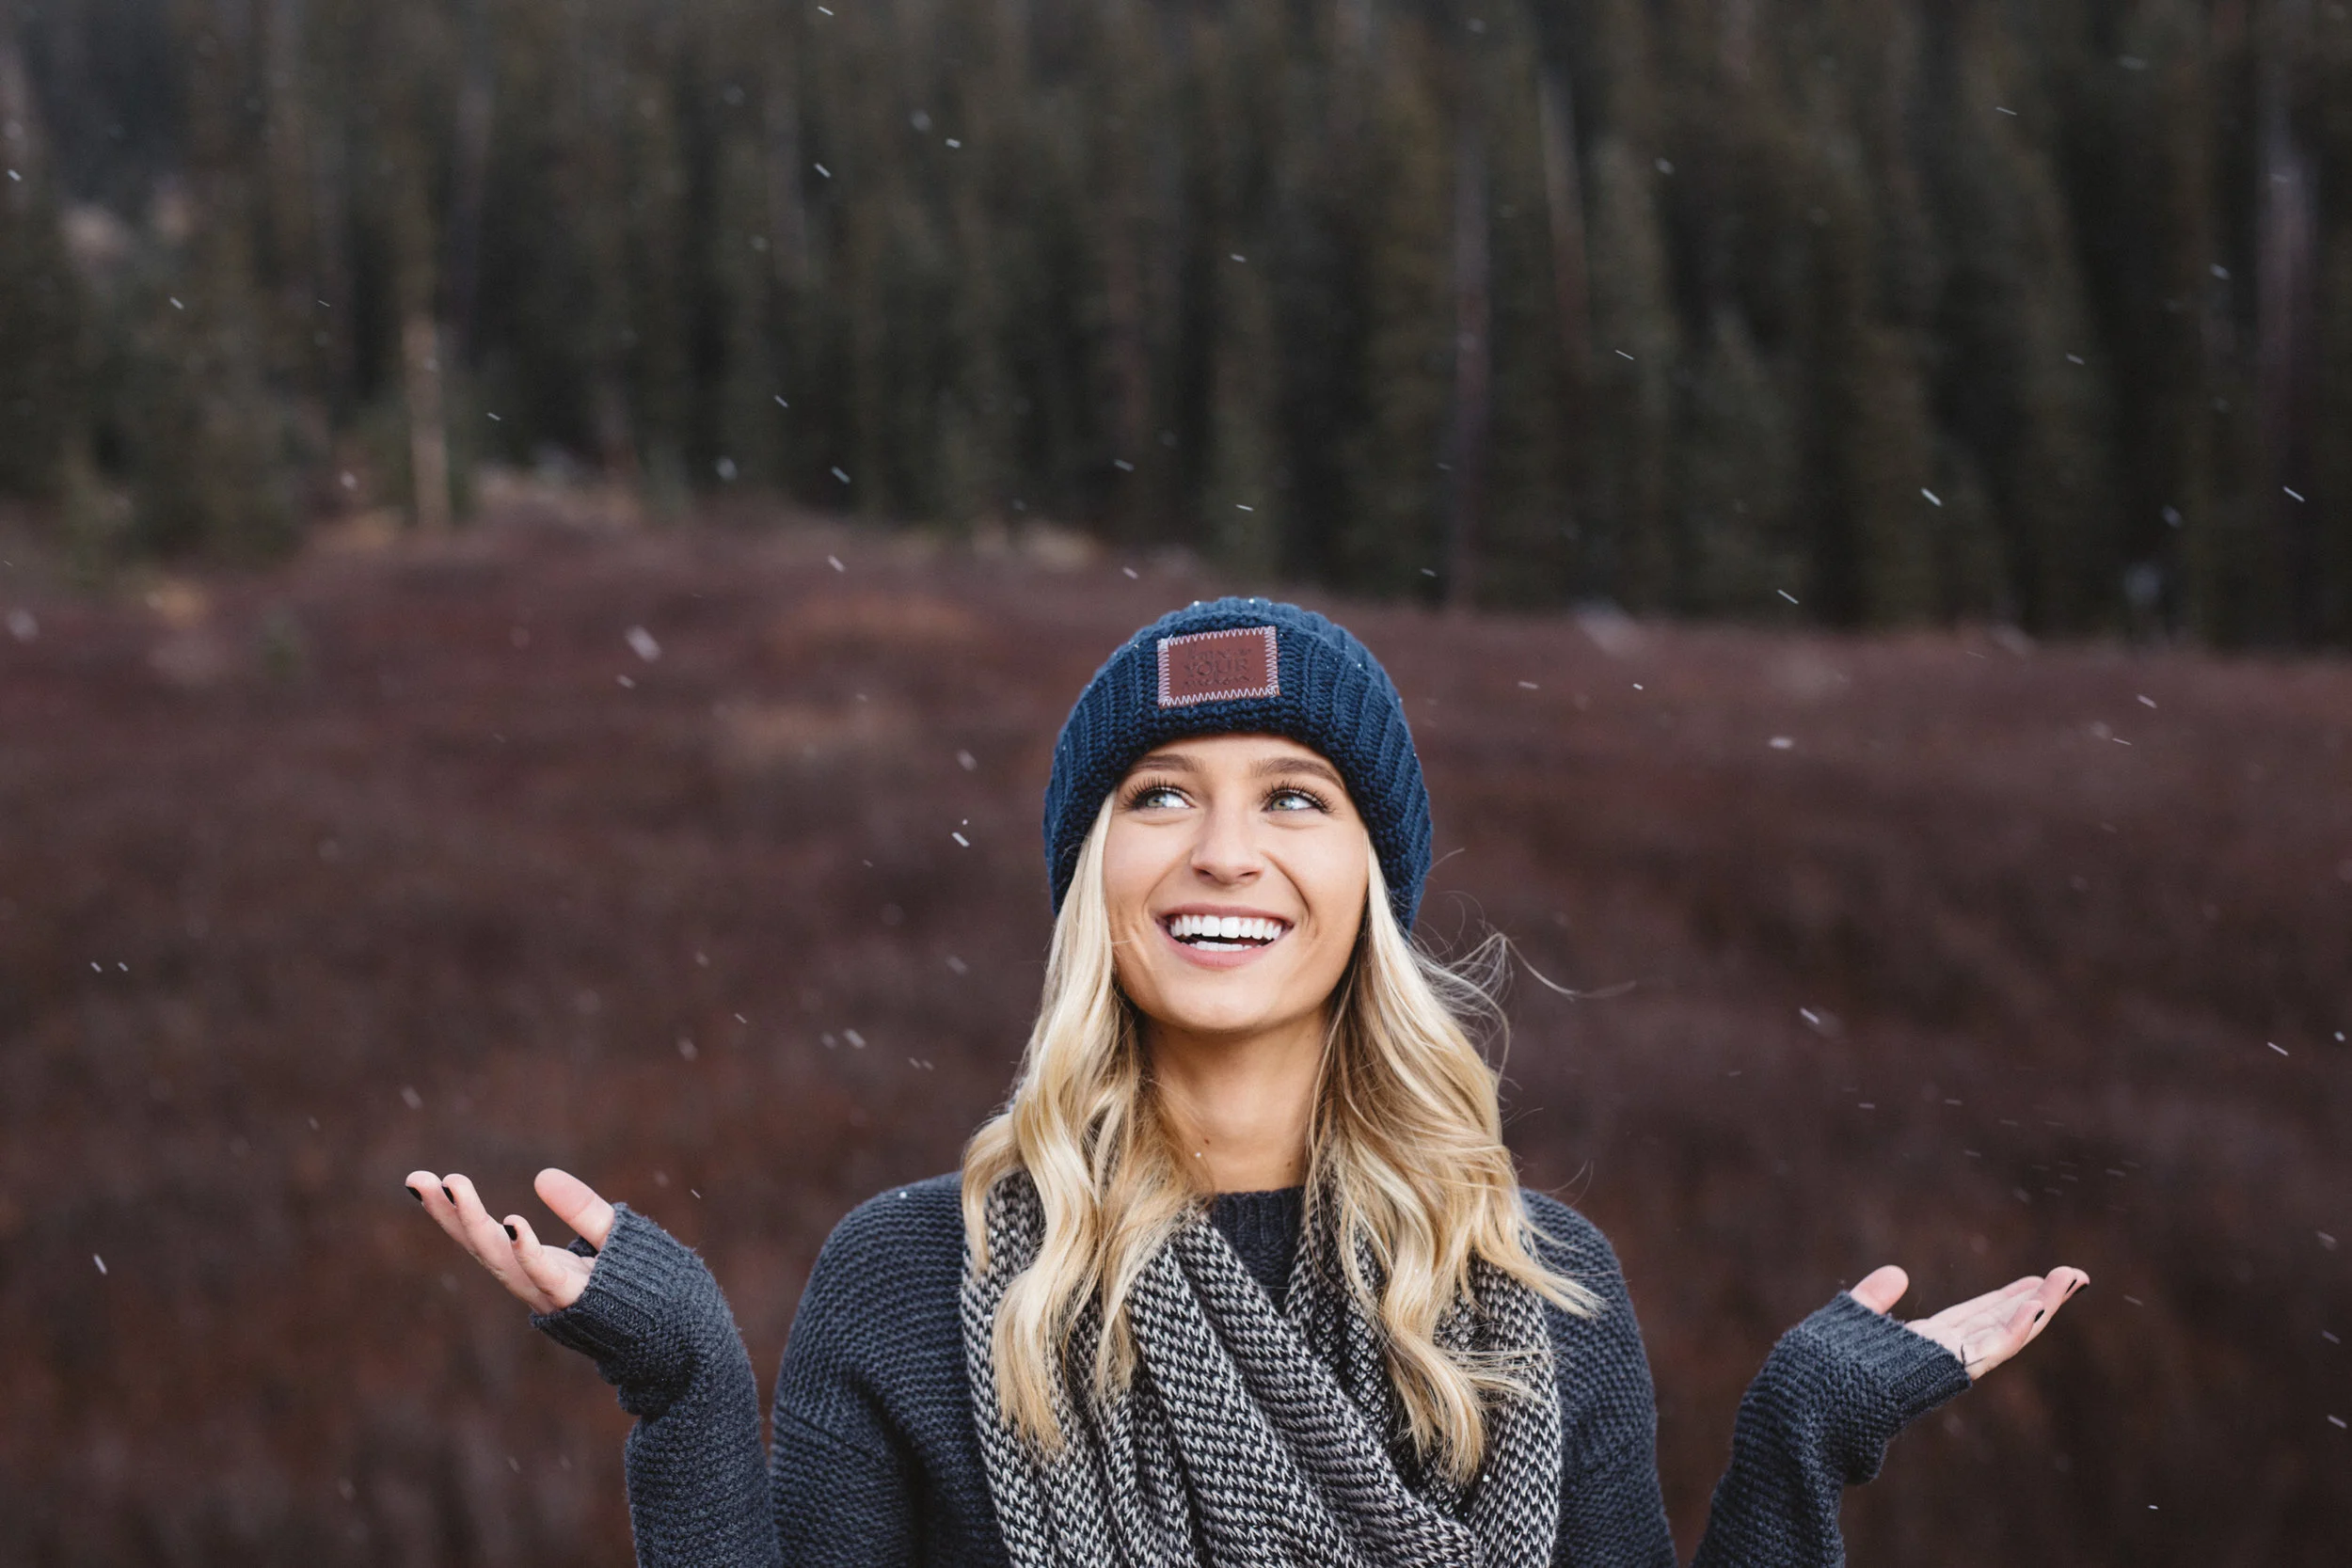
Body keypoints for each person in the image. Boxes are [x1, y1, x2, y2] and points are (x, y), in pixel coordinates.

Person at [408, 597, 2086, 1566]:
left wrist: (1800, 1437)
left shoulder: (1534, 1287)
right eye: (1158, 795)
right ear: (1090, 878)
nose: (1225, 851)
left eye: (1296, 797)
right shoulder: (915, 1281)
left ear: (1371, 874)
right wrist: (688, 1386)